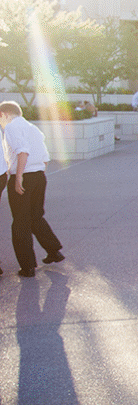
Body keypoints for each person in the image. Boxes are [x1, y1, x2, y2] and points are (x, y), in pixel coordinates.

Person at [0, 102, 64, 278]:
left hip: (23, 176)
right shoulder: (33, 128)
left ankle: (27, 267)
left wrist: (18, 177)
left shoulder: (12, 127)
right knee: (36, 216)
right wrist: (37, 176)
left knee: (20, 221)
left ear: (4, 114)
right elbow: (45, 157)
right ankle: (54, 251)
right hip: (39, 176)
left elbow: (23, 151)